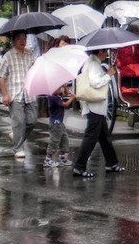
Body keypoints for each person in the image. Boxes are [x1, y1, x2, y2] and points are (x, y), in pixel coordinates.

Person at [72, 48, 125, 177]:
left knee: (104, 137)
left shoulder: (91, 62)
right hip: (94, 107)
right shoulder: (94, 64)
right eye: (105, 51)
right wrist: (109, 75)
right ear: (100, 51)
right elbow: (95, 82)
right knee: (91, 137)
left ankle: (111, 163)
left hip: (97, 108)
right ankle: (79, 167)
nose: (107, 54)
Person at [0, 30, 37, 159]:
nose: (22, 41)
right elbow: (1, 76)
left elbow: (34, 70)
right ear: (14, 40)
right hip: (15, 93)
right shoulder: (8, 56)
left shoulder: (30, 54)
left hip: (29, 92)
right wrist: (5, 95)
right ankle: (18, 148)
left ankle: (16, 135)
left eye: (24, 38)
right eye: (19, 38)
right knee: (18, 121)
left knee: (32, 120)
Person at [44, 84, 76, 167]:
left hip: (60, 123)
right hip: (55, 124)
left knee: (64, 139)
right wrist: (72, 98)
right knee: (54, 141)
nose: (60, 90)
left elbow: (65, 93)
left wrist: (65, 86)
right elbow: (65, 105)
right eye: (58, 88)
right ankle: (48, 159)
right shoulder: (52, 97)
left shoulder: (57, 95)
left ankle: (62, 157)